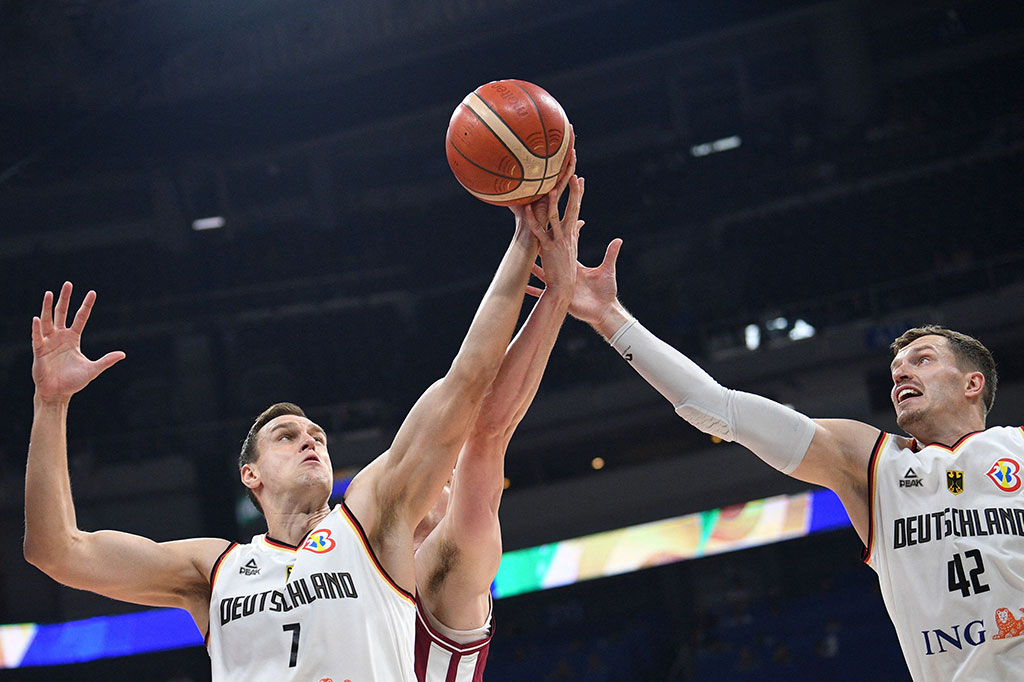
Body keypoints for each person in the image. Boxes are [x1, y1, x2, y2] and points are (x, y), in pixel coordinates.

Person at [22, 154, 577, 682]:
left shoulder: (369, 520)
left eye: (317, 435)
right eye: (286, 437)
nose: (310, 441)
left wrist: (525, 239)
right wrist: (51, 405)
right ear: (251, 475)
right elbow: (55, 551)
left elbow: (466, 382)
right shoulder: (212, 570)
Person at [540, 236, 1023, 681]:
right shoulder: (870, 463)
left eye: (922, 360)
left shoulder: (1016, 446)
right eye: (895, 368)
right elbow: (716, 409)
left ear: (972, 383)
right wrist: (609, 317)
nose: (901, 374)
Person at [412, 176, 583, 681]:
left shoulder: (447, 571)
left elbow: (487, 430)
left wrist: (557, 294)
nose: (437, 485)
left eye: (446, 482)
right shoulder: (351, 576)